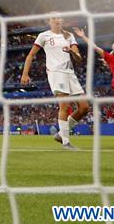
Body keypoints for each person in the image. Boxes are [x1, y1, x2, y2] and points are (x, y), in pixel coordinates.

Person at [21, 15, 90, 150]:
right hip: (56, 73)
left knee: (84, 107)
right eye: (53, 18)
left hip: (70, 73)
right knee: (64, 105)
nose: (57, 20)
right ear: (49, 21)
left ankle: (60, 134)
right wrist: (25, 73)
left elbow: (79, 59)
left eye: (59, 18)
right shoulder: (44, 36)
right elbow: (31, 55)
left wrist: (72, 52)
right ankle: (66, 142)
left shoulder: (69, 36)